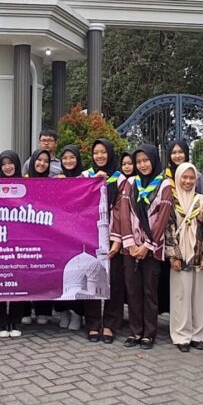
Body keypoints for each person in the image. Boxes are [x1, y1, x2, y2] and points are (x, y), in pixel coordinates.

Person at [114, 145, 173, 349]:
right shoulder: (131, 183)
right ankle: (135, 331)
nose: (142, 165)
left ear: (154, 160)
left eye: (146, 160)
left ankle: (149, 333)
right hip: (130, 248)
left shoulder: (164, 185)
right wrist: (130, 243)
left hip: (152, 248)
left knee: (149, 291)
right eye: (139, 161)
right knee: (133, 290)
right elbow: (123, 215)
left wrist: (147, 246)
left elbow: (162, 219)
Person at [82, 138, 124, 343]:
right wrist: (92, 184)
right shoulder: (85, 176)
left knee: (114, 281)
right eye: (96, 152)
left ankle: (110, 324)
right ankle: (92, 323)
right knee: (92, 278)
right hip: (90, 237)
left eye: (103, 152)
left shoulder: (121, 178)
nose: (99, 156)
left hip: (114, 236)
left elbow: (124, 209)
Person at [166, 163, 203, 351]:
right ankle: (181, 335)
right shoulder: (171, 200)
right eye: (184, 177)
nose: (187, 181)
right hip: (180, 255)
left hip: (199, 254)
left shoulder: (202, 200)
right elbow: (168, 229)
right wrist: (173, 256)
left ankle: (198, 335)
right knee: (180, 296)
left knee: (200, 296)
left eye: (191, 178)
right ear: (177, 179)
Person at [0, 150, 29, 338]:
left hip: (19, 240)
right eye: (4, 163)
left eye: (11, 163)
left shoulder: (26, 185)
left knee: (18, 281)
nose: (7, 167)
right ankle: (1, 322)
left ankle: (15, 321)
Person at [21, 149, 55, 325]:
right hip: (26, 234)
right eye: (39, 160)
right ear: (32, 161)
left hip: (46, 233)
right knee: (26, 271)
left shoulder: (53, 183)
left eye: (45, 161)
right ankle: (25, 309)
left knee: (44, 271)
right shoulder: (23, 182)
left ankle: (43, 310)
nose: (42, 164)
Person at [54, 144, 85, 331]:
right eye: (64, 158)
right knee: (60, 275)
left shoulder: (84, 178)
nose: (68, 161)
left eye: (72, 157)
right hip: (59, 234)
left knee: (77, 275)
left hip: (78, 234)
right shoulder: (56, 179)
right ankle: (62, 310)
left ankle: (76, 313)